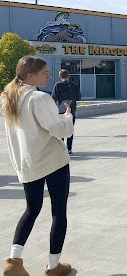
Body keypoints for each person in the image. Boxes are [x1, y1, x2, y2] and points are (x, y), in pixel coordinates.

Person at [1, 56, 74, 276]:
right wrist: (68, 118)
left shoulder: (8, 98)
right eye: (44, 72)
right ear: (30, 76)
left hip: (28, 164)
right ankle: (53, 267)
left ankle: (14, 261)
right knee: (58, 213)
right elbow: (58, 130)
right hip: (52, 162)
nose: (49, 76)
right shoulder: (39, 98)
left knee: (31, 210)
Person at [51, 69, 81, 154]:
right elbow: (79, 97)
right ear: (69, 76)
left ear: (60, 76)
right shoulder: (75, 85)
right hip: (72, 110)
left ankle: (62, 148)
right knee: (70, 129)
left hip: (61, 110)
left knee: (61, 130)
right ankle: (69, 149)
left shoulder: (58, 85)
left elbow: (53, 98)